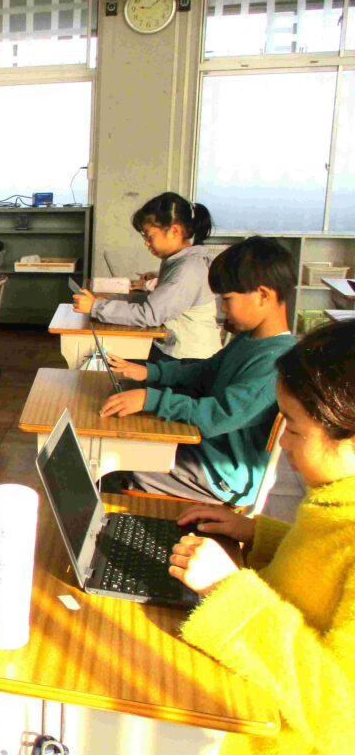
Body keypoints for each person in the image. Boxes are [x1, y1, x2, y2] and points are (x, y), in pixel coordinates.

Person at [168, 318, 355, 755]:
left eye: (295, 429)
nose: (283, 443)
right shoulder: (337, 501)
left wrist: (229, 590)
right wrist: (258, 534)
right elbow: (321, 571)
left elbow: (343, 718)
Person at [101, 237, 296, 507]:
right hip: (207, 450)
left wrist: (151, 399)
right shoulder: (250, 339)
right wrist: (150, 373)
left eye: (227, 299)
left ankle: (129, 527)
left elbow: (217, 416)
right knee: (121, 443)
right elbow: (205, 371)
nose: (222, 308)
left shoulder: (276, 363)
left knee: (115, 464)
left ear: (263, 295)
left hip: (222, 474)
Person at [74, 192, 222, 361]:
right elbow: (155, 302)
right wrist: (106, 300)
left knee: (110, 361)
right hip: (177, 350)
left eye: (149, 236)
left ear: (174, 231)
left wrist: (96, 307)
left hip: (188, 360)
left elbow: (150, 314)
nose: (146, 243)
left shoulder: (187, 269)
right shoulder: (181, 261)